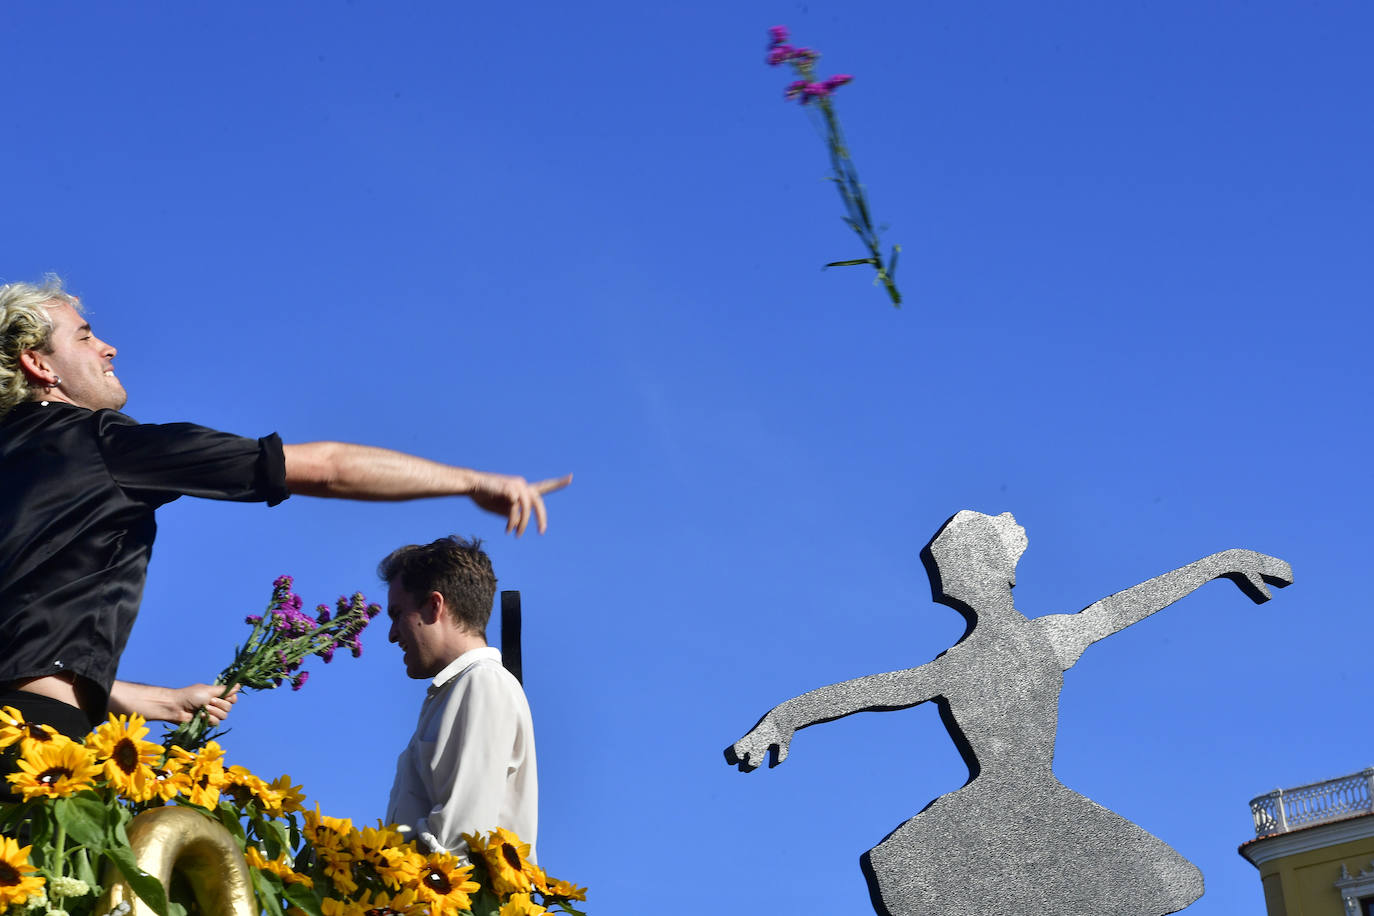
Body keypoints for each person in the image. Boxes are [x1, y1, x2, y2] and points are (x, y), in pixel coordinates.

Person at [0, 275, 570, 737]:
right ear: (39, 365)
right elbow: (325, 468)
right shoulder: (100, 442)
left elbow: (28, 653)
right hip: (35, 746)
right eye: (84, 337)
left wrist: (161, 702)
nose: (108, 347)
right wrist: (470, 481)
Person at [728, 510, 1292, 916]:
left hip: (1030, 805)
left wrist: (1221, 564)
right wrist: (785, 716)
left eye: (961, 568)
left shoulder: (1044, 640)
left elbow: (1128, 605)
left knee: (1165, 883)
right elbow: (870, 691)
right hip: (995, 809)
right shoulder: (975, 660)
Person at [381, 535, 537, 860]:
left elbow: (459, 841)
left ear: (434, 606)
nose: (392, 634)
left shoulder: (483, 683)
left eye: (397, 614)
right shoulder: (455, 691)